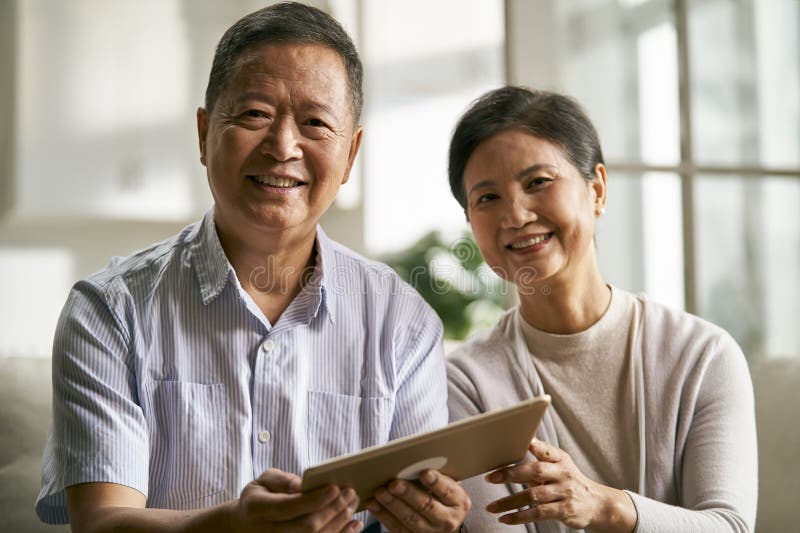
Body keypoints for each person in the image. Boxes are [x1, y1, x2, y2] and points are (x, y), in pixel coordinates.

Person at [35, 3, 469, 532]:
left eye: (315, 123)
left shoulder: (403, 323)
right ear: (203, 133)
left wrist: (431, 522)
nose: (283, 146)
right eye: (255, 115)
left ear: (351, 154)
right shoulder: (110, 309)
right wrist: (233, 527)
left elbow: (416, 508)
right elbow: (102, 523)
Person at [445, 87, 757, 533]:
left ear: (597, 190)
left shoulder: (702, 355)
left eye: (538, 182)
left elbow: (730, 526)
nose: (515, 216)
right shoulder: (466, 382)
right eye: (487, 198)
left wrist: (603, 506)